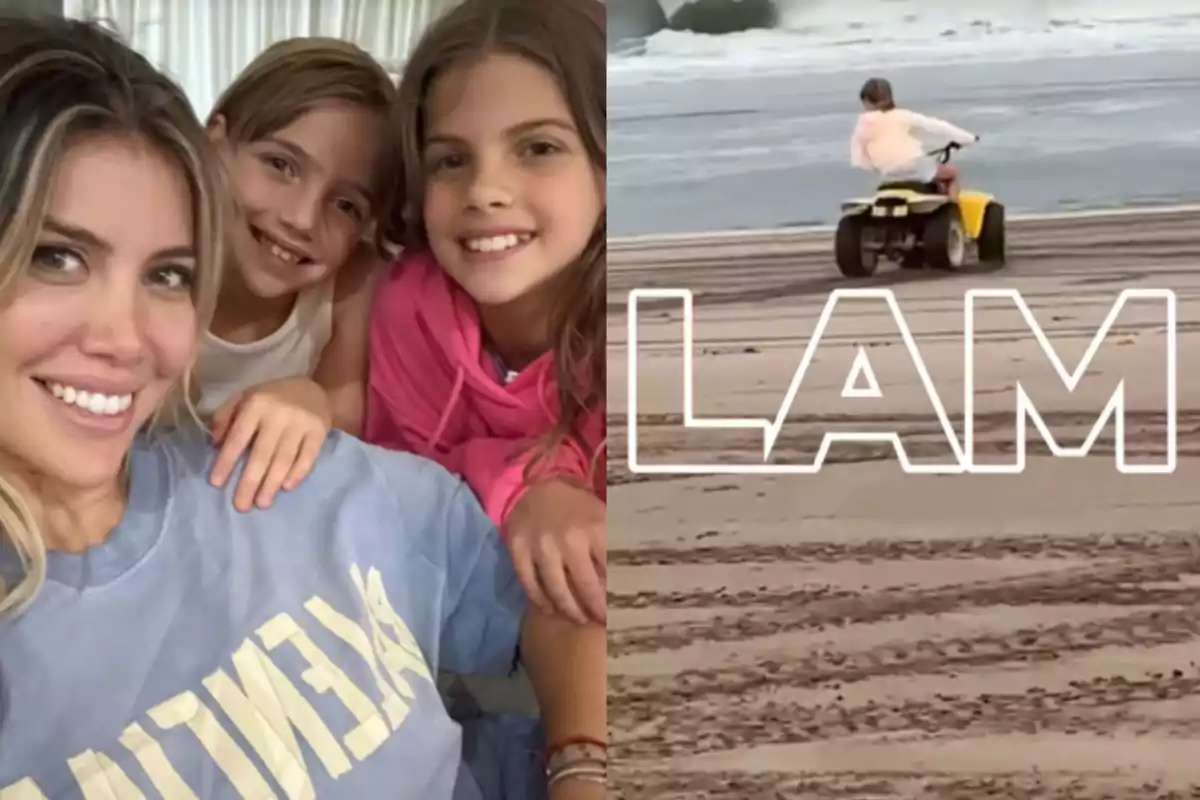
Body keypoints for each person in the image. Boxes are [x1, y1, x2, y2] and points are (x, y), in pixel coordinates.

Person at [0, 16, 606, 800]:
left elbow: (556, 602)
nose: (125, 340)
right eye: (58, 258)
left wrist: (581, 765)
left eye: (169, 275)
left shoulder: (302, 470)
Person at [320, 0, 608, 629]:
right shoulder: (409, 307)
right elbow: (402, 487)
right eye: (451, 160)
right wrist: (537, 483)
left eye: (537, 147)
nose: (484, 191)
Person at [197, 38, 397, 514]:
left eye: (346, 205)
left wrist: (309, 398)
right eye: (281, 165)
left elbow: (340, 432)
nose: (303, 219)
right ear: (213, 143)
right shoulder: (154, 251)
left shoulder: (352, 285)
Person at [850, 76, 979, 199]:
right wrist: (969, 138)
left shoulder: (864, 123)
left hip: (887, 173)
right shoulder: (903, 116)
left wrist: (874, 165)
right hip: (914, 167)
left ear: (866, 102)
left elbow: (859, 151)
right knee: (952, 174)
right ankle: (953, 212)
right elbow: (938, 127)